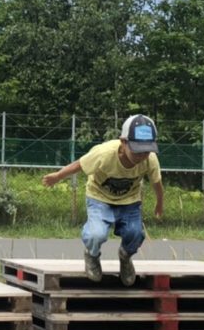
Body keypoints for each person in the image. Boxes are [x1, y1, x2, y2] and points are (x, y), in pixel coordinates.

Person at [41, 114, 164, 287]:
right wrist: (58, 176)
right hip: (99, 197)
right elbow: (79, 165)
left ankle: (125, 257)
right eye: (137, 149)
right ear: (123, 142)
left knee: (135, 234)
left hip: (130, 201)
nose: (141, 155)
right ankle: (92, 255)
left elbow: (157, 182)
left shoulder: (150, 159)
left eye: (146, 150)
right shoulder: (104, 153)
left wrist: (160, 203)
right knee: (96, 234)